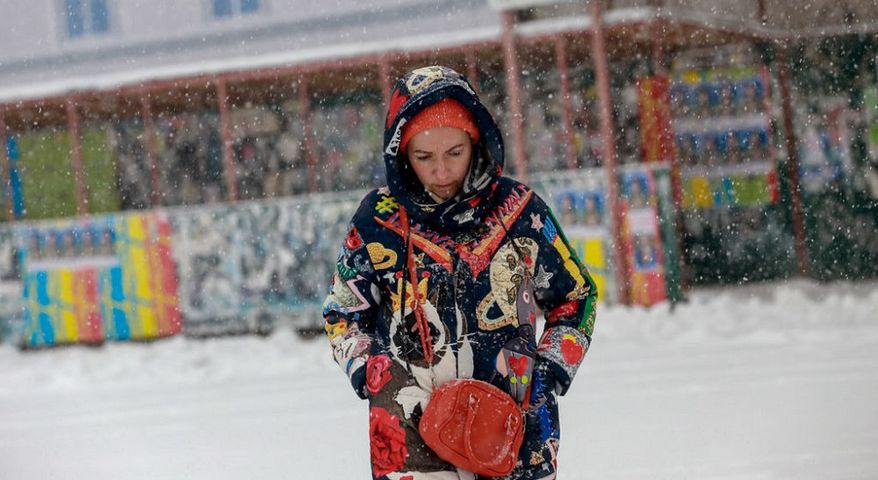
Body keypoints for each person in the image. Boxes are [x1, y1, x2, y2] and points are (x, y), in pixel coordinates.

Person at [323, 66, 598, 480]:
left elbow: (575, 297)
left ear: (476, 140)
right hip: (407, 429)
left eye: (455, 152)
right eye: (424, 157)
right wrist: (371, 373)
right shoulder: (377, 221)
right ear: (401, 155)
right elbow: (344, 312)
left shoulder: (521, 211)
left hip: (513, 425)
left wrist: (548, 371)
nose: (441, 171)